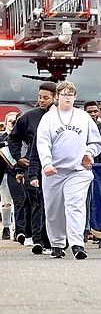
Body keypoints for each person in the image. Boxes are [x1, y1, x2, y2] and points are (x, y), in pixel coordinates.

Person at [36, 81, 101, 259]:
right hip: (54, 171)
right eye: (64, 94)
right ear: (57, 96)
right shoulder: (49, 119)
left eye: (71, 94)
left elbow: (96, 142)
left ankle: (77, 244)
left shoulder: (83, 117)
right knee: (54, 210)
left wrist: (90, 153)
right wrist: (47, 163)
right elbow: (43, 143)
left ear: (75, 97)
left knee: (75, 205)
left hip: (78, 171)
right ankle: (58, 244)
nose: (67, 97)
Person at [8, 81, 57, 253]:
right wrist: (18, 158)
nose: (42, 101)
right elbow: (13, 138)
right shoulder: (29, 117)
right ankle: (38, 240)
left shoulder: (62, 116)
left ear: (54, 98)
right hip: (33, 165)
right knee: (37, 203)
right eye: (40, 97)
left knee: (52, 204)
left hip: (56, 167)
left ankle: (52, 240)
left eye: (46, 98)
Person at [0, 112, 18, 239]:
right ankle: (6, 227)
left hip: (18, 173)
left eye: (14, 121)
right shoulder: (1, 138)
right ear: (5, 123)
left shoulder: (20, 137)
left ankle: (18, 229)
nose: (12, 123)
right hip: (5, 174)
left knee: (19, 202)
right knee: (6, 202)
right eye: (10, 121)